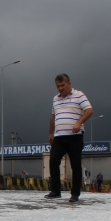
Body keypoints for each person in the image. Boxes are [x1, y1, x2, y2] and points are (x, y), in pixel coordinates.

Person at [44, 73, 93, 202]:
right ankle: (55, 190)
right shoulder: (55, 99)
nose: (60, 88)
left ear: (69, 84)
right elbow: (53, 116)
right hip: (59, 137)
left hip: (74, 136)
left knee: (75, 165)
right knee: (53, 161)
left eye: (62, 85)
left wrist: (79, 123)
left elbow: (89, 110)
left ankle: (75, 194)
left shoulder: (79, 95)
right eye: (58, 86)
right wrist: (50, 133)